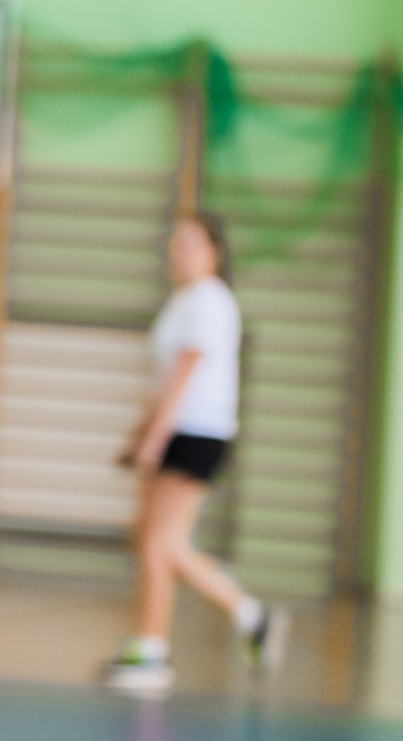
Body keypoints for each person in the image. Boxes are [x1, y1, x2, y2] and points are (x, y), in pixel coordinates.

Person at [103, 210, 288, 695]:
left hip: (196, 432)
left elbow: (186, 375)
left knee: (157, 545)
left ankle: (153, 653)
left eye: (190, 242)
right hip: (174, 428)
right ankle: (251, 616)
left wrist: (154, 438)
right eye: (176, 241)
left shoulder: (210, 301)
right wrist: (138, 434)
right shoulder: (182, 301)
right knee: (159, 541)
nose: (178, 249)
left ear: (214, 252)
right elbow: (163, 379)